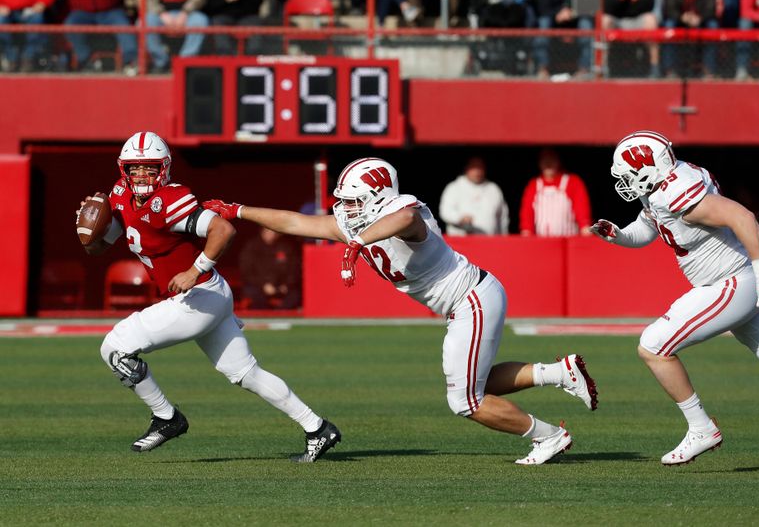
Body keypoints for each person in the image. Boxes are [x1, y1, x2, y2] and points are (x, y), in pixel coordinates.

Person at [204, 157, 599, 466]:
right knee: (473, 388)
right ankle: (558, 372)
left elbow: (405, 220)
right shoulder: (355, 221)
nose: (346, 208)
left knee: (465, 401)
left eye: (354, 200)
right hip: (467, 301)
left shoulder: (408, 210)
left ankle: (548, 436)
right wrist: (239, 210)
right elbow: (295, 221)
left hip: (471, 299)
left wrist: (360, 241)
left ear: (378, 196)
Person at [76, 131, 340, 462]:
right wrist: (88, 232)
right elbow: (99, 247)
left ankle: (167, 418)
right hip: (208, 296)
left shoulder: (170, 200)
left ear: (165, 169)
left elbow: (223, 230)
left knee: (115, 348)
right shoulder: (119, 195)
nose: (142, 175)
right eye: (135, 168)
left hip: (199, 295)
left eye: (149, 168)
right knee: (245, 373)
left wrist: (194, 269)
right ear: (123, 170)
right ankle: (317, 428)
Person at [590, 130, 759, 465]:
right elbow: (649, 225)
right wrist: (620, 235)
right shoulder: (662, 187)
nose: (625, 182)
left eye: (629, 174)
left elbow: (743, 217)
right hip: (731, 281)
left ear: (649, 170)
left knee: (653, 346)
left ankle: (702, 428)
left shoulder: (679, 193)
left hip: (728, 282)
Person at [519, 148, 592, 237]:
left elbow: (583, 216)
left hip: (567, 243)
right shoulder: (534, 185)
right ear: (539, 162)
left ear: (558, 160)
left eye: (551, 158)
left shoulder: (572, 182)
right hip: (540, 243)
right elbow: (527, 216)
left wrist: (585, 233)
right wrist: (526, 234)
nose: (548, 162)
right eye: (544, 158)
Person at [63, 0, 138, 75]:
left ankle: (130, 62)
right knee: (70, 24)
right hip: (82, 12)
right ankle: (86, 61)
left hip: (110, 10)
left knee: (123, 24)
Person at [438, 156, 509, 236]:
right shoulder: (454, 187)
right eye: (474, 167)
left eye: (480, 167)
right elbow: (445, 211)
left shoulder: (493, 189)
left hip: (490, 242)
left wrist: (504, 238)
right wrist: (459, 218)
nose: (477, 171)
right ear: (467, 168)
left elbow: (503, 217)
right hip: (462, 243)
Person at [531, 0, 594, 79]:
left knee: (586, 25)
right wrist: (557, 13)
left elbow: (590, 5)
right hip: (553, 18)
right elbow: (542, 7)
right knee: (543, 23)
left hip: (577, 17)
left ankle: (584, 70)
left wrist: (572, 13)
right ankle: (543, 69)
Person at [239, 227, 302, 309]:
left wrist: (286, 285)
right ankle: (263, 316)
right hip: (258, 286)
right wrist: (263, 285)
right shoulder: (252, 247)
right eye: (267, 232)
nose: (270, 234)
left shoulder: (286, 247)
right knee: (252, 294)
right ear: (262, 232)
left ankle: (281, 316)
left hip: (282, 287)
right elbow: (246, 271)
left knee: (295, 295)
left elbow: (294, 269)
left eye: (273, 232)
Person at [144, 0, 210, 73]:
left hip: (189, 13)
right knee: (145, 21)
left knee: (200, 21)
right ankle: (161, 63)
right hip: (158, 14)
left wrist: (185, 12)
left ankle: (184, 63)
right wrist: (161, 13)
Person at [661, 0, 720, 79]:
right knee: (669, 25)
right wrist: (682, 17)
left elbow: (711, 8)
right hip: (679, 19)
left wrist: (700, 18)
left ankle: (709, 71)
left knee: (713, 26)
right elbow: (669, 8)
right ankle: (669, 70)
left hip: (700, 19)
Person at [602, 0, 661, 78]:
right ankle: (603, 68)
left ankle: (654, 67)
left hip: (638, 20)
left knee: (650, 20)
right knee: (605, 20)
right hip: (617, 21)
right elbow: (606, 8)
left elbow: (650, 5)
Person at [0, 0, 55, 72]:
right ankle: (10, 59)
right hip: (6, 10)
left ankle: (28, 58)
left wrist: (42, 2)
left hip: (32, 9)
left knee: (37, 18)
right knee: (0, 20)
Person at [204, 0, 268, 56]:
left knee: (255, 23)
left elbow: (258, 2)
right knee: (217, 22)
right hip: (223, 16)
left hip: (246, 16)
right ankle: (225, 57)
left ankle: (253, 59)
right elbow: (209, 5)